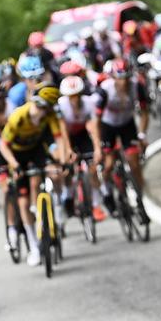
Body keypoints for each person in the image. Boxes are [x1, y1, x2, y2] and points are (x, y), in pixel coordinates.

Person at [0, 84, 71, 267]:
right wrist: (14, 165)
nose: (42, 113)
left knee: (40, 178)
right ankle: (33, 246)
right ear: (34, 103)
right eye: (40, 107)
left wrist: (63, 162)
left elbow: (59, 139)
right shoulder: (18, 116)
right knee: (22, 201)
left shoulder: (50, 116)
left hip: (34, 150)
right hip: (14, 153)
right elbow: (3, 146)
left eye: (46, 109)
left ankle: (44, 208)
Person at [95, 58, 150, 216]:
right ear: (113, 78)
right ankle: (108, 194)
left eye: (126, 78)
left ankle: (140, 198)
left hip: (127, 124)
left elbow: (145, 113)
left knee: (134, 161)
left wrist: (141, 135)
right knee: (109, 164)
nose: (123, 83)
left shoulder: (137, 86)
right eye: (120, 79)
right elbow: (96, 120)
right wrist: (98, 144)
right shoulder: (104, 90)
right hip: (107, 126)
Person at [58, 75, 106, 222]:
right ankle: (67, 196)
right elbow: (62, 131)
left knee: (92, 168)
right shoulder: (61, 105)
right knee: (66, 168)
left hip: (82, 133)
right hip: (67, 135)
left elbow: (93, 127)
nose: (74, 99)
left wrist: (97, 148)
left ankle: (96, 205)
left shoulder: (88, 102)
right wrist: (68, 150)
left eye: (77, 95)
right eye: (71, 96)